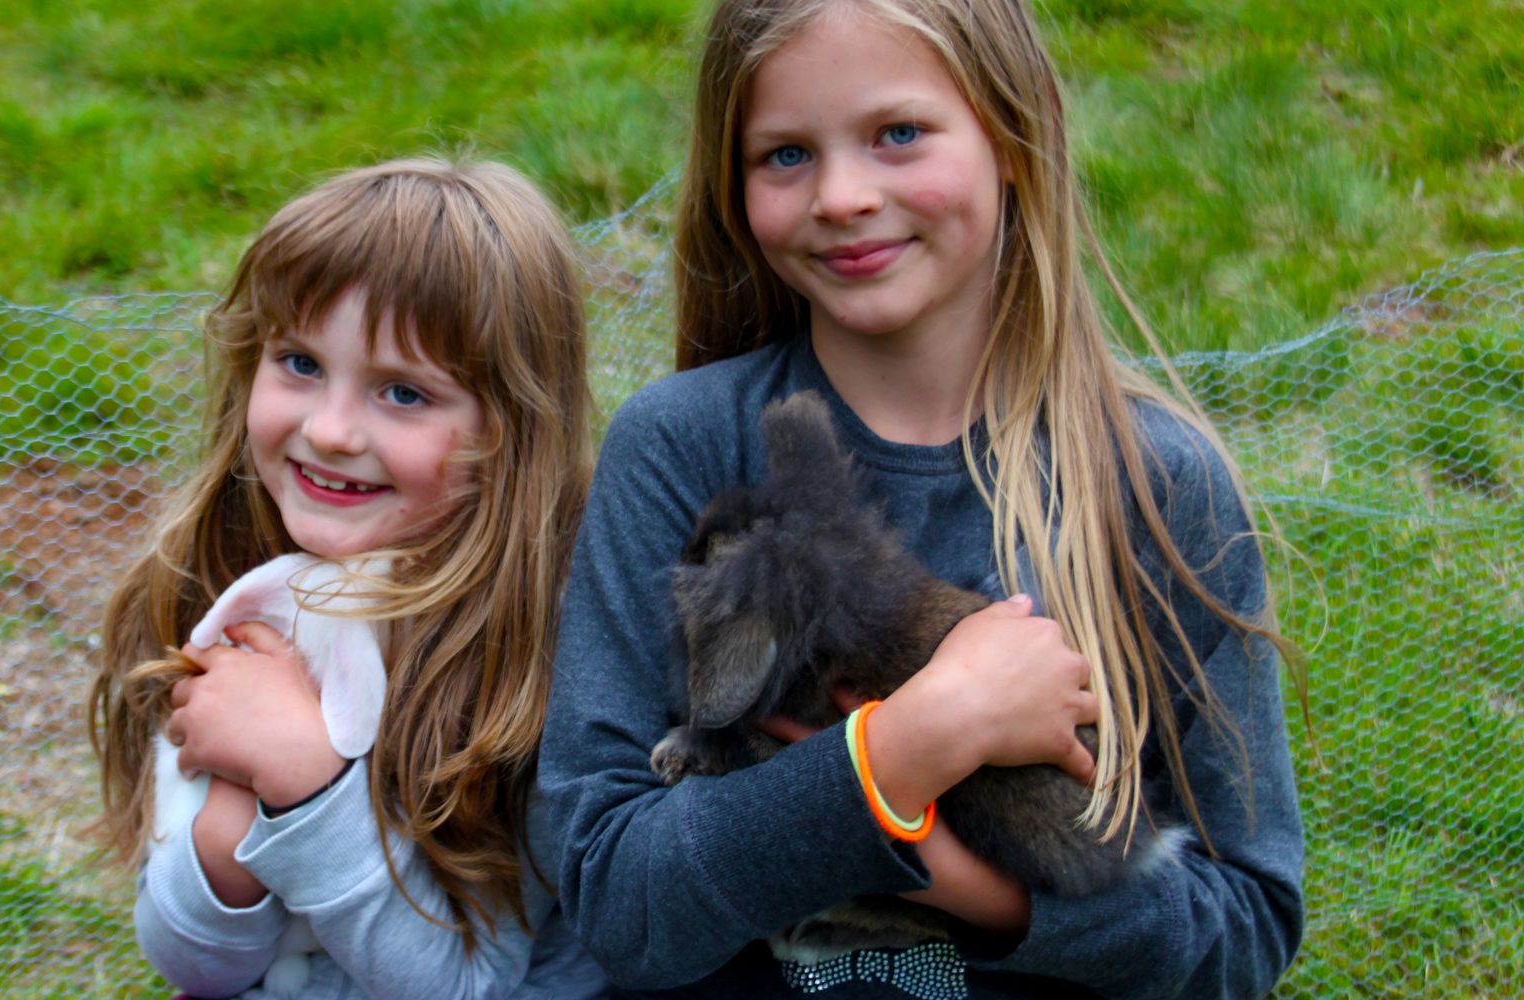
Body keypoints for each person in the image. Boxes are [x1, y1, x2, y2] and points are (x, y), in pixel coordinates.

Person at [540, 1, 1305, 996]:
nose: (842, 196)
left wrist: (968, 882)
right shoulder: (678, 447)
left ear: (1012, 133)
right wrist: (904, 749)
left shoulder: (1159, 486)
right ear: (730, 184)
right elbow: (611, 898)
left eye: (896, 134)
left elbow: (1241, 931)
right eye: (783, 154)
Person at [89, 158, 608, 999]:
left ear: (512, 431)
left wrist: (305, 789)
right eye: (298, 363)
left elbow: (466, 985)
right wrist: (226, 841)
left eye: (402, 393)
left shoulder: (544, 658)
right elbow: (193, 966)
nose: (329, 431)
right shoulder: (232, 589)